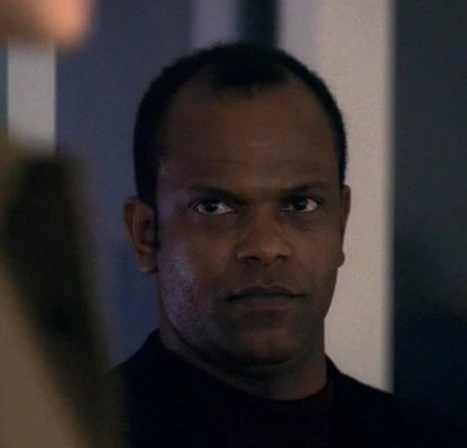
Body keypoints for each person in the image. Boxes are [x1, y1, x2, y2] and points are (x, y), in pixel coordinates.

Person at [117, 43, 463, 447]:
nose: (266, 246)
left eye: (301, 204)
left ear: (341, 222)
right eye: (214, 207)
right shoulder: (74, 434)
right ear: (146, 236)